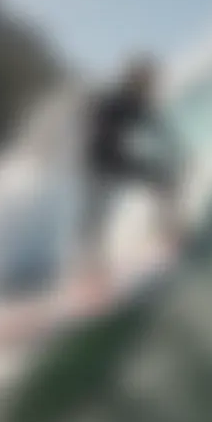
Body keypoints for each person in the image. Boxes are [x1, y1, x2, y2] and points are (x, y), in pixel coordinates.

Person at [78, 52, 184, 296]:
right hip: (100, 158)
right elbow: (96, 115)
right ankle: (90, 269)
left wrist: (177, 150)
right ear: (137, 78)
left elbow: (158, 127)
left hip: (108, 158)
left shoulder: (135, 100)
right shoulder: (120, 97)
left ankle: (166, 231)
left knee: (162, 181)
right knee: (96, 213)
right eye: (148, 79)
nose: (152, 84)